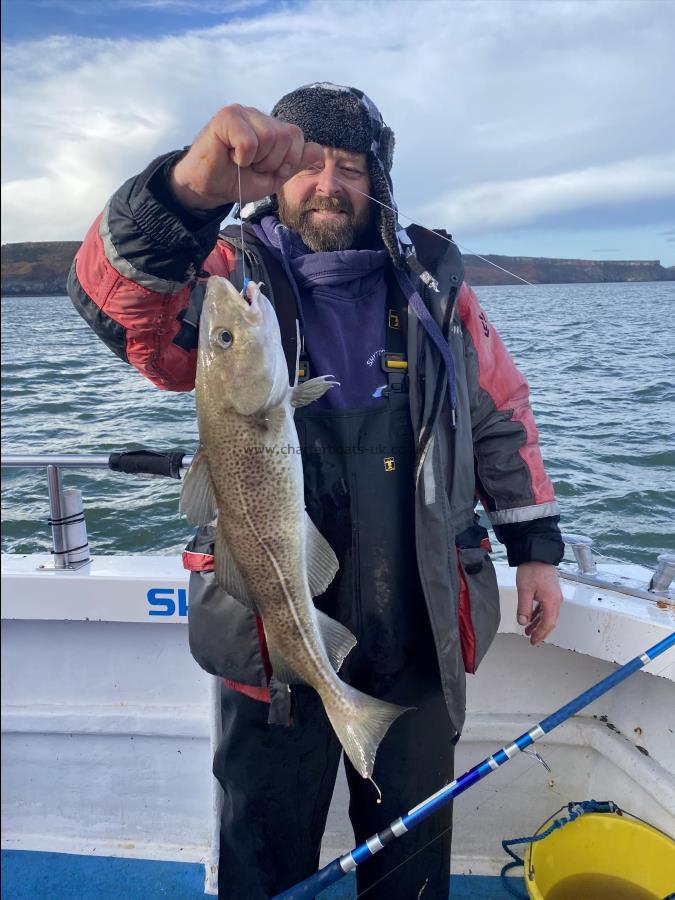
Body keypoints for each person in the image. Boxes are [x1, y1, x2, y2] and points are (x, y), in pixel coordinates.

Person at [68, 82, 564, 900]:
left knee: (410, 864)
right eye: (306, 163)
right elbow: (120, 310)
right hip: (268, 633)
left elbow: (498, 417)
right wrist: (187, 189)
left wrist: (536, 551)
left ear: (379, 180)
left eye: (349, 165)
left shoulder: (436, 286)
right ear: (271, 176)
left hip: (420, 615)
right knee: (261, 854)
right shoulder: (229, 279)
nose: (327, 182)